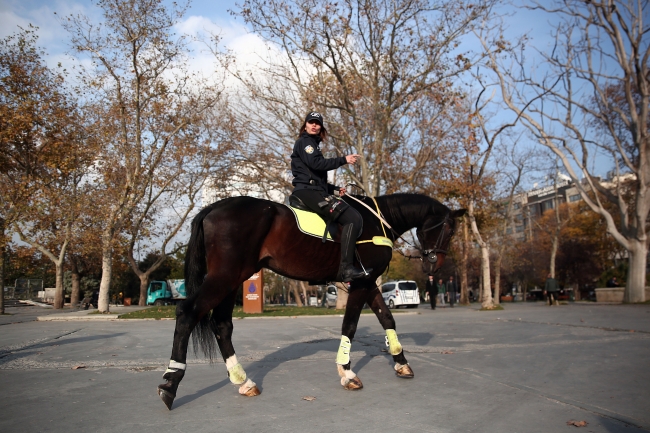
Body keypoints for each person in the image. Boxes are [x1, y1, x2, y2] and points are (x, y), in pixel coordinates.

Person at [290, 111, 372, 282]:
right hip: (307, 192)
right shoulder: (306, 143)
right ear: (305, 125)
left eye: (317, 123)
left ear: (321, 128)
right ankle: (346, 269)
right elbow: (316, 164)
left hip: (314, 190)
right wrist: (344, 159)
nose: (314, 125)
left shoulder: (312, 144)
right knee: (353, 219)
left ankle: (321, 269)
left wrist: (334, 190)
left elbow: (315, 177)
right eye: (311, 122)